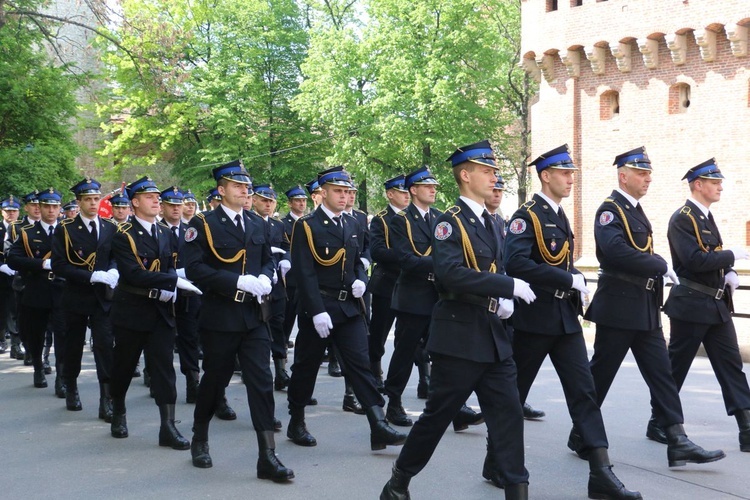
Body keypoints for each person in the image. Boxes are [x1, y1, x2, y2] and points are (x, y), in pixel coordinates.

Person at [381, 140, 535, 500]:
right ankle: (399, 481)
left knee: (509, 418)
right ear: (466, 175)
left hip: (494, 337)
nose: (494, 176)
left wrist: (500, 297)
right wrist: (506, 286)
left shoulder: (493, 222)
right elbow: (449, 273)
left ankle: (518, 490)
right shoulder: (450, 223)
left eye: (494, 171)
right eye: (487, 170)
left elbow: (493, 267)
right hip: (459, 337)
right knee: (436, 418)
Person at [503, 145, 641, 499]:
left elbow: (559, 262)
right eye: (564, 174)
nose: (570, 180)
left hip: (564, 321)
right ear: (545, 175)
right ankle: (497, 460)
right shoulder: (527, 215)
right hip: (534, 321)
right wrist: (567, 280)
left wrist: (574, 277)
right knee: (513, 396)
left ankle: (601, 472)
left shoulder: (559, 215)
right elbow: (515, 263)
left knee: (585, 394)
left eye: (572, 174)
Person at [583, 147, 725, 468]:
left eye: (649, 173)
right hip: (618, 308)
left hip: (644, 308)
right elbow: (615, 251)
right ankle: (582, 432)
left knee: (662, 375)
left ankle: (677, 439)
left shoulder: (635, 210)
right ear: (624, 176)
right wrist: (658, 263)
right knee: (600, 376)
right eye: (642, 173)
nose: (648, 178)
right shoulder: (610, 210)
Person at [182, 161, 293, 481]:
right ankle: (199, 437)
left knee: (261, 381)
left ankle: (267, 456)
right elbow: (194, 269)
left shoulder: (257, 224)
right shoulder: (203, 224)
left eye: (247, 186)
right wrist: (237, 282)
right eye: (237, 186)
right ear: (221, 190)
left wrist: (267, 278)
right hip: (220, 316)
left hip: (254, 316)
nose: (245, 190)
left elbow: (268, 260)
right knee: (214, 381)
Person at [286, 166, 406, 451]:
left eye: (347, 192)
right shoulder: (306, 226)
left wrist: (360, 281)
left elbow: (356, 262)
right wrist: (315, 311)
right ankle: (297, 419)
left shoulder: (352, 223)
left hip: (348, 307)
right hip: (319, 307)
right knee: (306, 366)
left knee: (360, 364)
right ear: (323, 193)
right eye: (338, 191)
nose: (344, 196)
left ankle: (377, 424)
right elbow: (303, 273)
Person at [644, 158, 750, 452]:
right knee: (676, 368)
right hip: (691, 304)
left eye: (720, 183)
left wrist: (727, 273)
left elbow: (710, 255)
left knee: (731, 366)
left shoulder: (706, 216)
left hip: (715, 305)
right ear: (698, 185)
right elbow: (692, 260)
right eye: (715, 183)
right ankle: (658, 421)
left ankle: (747, 426)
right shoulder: (683, 217)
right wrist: (731, 256)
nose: (720, 187)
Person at [108, 176, 200, 449]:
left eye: (157, 196)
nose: (156, 200)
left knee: (163, 370)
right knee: (124, 366)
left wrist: (173, 281)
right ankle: (119, 412)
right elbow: (133, 274)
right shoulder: (123, 235)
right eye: (150, 197)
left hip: (161, 310)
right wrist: (170, 282)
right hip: (132, 311)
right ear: (135, 203)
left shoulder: (164, 232)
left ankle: (167, 426)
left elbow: (169, 266)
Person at [52, 178, 119, 420]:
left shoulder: (110, 227)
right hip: (76, 296)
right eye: (88, 199)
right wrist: (90, 276)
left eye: (95, 199)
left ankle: (106, 398)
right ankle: (71, 385)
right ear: (79, 202)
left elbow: (114, 256)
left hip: (103, 298)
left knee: (104, 346)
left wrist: (113, 270)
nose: (93, 203)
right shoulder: (66, 229)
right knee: (73, 346)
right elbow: (59, 265)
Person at [485, 175, 546, 422]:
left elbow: (504, 263)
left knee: (507, 357)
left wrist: (508, 293)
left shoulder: (501, 221)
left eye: (501, 189)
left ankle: (514, 401)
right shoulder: (470, 221)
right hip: (482, 300)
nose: (498, 193)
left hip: (506, 300)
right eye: (494, 189)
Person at [7, 188, 65, 390]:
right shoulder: (27, 233)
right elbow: (13, 259)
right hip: (37, 288)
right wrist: (40, 264)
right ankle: (39, 368)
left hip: (63, 290)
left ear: (59, 209)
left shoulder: (67, 231)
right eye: (47, 206)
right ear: (39, 208)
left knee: (63, 335)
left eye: (55, 206)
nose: (51, 210)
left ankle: (62, 377)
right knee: (36, 333)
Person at [158, 187, 202, 403]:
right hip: (162, 292)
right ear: (162, 206)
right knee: (161, 340)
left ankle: (192, 380)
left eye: (179, 205)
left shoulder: (190, 230)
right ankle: (158, 379)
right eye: (171, 205)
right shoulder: (156, 230)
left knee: (190, 338)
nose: (176, 209)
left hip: (187, 293)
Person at [367, 175, 409, 391]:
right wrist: (406, 256)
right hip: (388, 284)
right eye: (402, 192)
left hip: (409, 283)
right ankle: (374, 372)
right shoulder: (381, 219)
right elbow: (377, 251)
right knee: (380, 331)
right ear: (390, 194)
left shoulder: (412, 217)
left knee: (413, 334)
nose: (406, 196)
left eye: (408, 192)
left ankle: (425, 379)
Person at [252, 184, 291, 392]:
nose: (268, 204)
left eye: (271, 201)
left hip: (277, 284)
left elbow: (287, 247)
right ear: (254, 200)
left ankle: (281, 370)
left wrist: (286, 259)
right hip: (256, 282)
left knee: (278, 324)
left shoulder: (278, 225)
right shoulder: (249, 222)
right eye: (264, 200)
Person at [279, 185, 307, 350]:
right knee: (287, 315)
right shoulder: (284, 224)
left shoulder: (309, 222)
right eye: (298, 201)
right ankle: (282, 345)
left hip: (306, 276)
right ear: (290, 203)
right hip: (290, 277)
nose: (302, 204)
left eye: (303, 200)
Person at [1, 196, 21, 357]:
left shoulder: (22, 228)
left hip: (17, 275)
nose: (11, 214)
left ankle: (16, 344)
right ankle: (1, 338)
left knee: (16, 308)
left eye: (14, 211)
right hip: (1, 275)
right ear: (2, 212)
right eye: (8, 211)